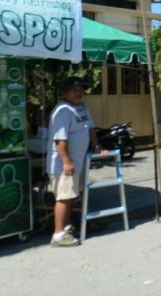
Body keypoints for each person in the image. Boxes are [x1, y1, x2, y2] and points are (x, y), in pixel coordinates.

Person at [46, 77, 98, 247]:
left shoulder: (82, 107)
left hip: (77, 162)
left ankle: (66, 228)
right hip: (63, 165)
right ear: (65, 92)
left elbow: (90, 127)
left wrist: (96, 146)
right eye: (74, 90)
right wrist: (67, 162)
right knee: (64, 197)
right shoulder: (62, 110)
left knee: (71, 197)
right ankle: (58, 235)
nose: (78, 93)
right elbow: (60, 140)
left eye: (80, 90)